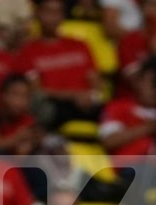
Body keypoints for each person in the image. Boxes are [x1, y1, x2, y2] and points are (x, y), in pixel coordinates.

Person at [24, 0, 103, 128]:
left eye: (57, 12)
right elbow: (37, 91)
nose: (52, 17)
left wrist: (90, 97)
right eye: (48, 12)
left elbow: (95, 81)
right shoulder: (29, 51)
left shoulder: (80, 45)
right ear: (38, 13)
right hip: (55, 107)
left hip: (85, 104)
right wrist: (73, 96)